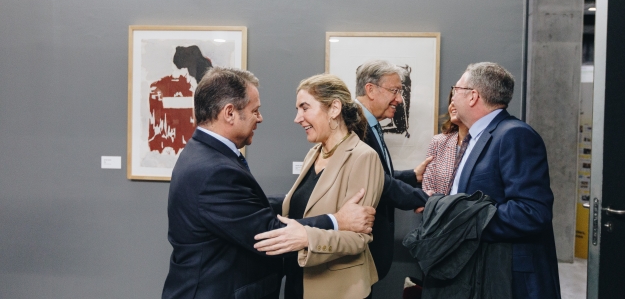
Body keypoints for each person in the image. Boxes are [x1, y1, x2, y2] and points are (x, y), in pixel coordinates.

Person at [162, 67, 376, 299]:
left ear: (334, 108)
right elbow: (266, 234)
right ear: (229, 113)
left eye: (305, 108)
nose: (260, 118)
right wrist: (337, 221)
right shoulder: (214, 169)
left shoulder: (203, 153)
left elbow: (243, 207)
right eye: (255, 110)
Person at [255, 74, 383, 299]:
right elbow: (302, 207)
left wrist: (307, 238)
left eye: (305, 108)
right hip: (298, 280)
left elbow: (358, 239)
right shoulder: (314, 154)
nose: (297, 118)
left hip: (336, 290)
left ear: (334, 108)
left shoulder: (364, 157)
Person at [450, 62, 561, 298]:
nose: (452, 96)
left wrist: (465, 221)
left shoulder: (514, 134)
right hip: (483, 270)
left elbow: (532, 212)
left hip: (509, 279)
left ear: (473, 96)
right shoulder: (479, 136)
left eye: (456, 89)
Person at [354, 60, 433, 282]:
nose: (399, 99)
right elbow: (374, 183)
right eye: (394, 91)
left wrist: (412, 176)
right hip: (361, 244)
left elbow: (374, 174)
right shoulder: (354, 126)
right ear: (370, 90)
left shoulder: (368, 123)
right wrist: (428, 200)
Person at [421, 89, 470, 194]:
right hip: (439, 209)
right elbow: (428, 190)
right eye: (451, 99)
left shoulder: (485, 142)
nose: (452, 104)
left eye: (457, 99)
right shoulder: (439, 142)